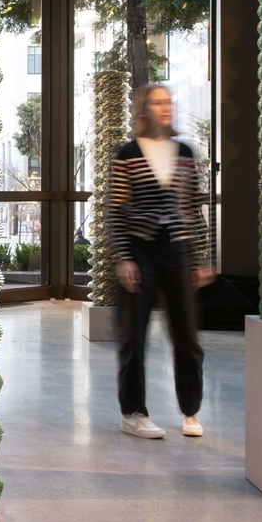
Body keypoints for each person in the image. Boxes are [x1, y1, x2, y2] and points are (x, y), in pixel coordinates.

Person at [107, 83, 214, 439]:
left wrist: (200, 256)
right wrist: (124, 257)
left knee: (187, 336)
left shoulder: (184, 151)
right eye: (157, 102)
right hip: (140, 249)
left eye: (168, 102)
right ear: (144, 109)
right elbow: (116, 210)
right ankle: (132, 413)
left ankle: (190, 411)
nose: (165, 107)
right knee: (133, 337)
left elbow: (192, 206)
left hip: (177, 249)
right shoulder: (127, 153)